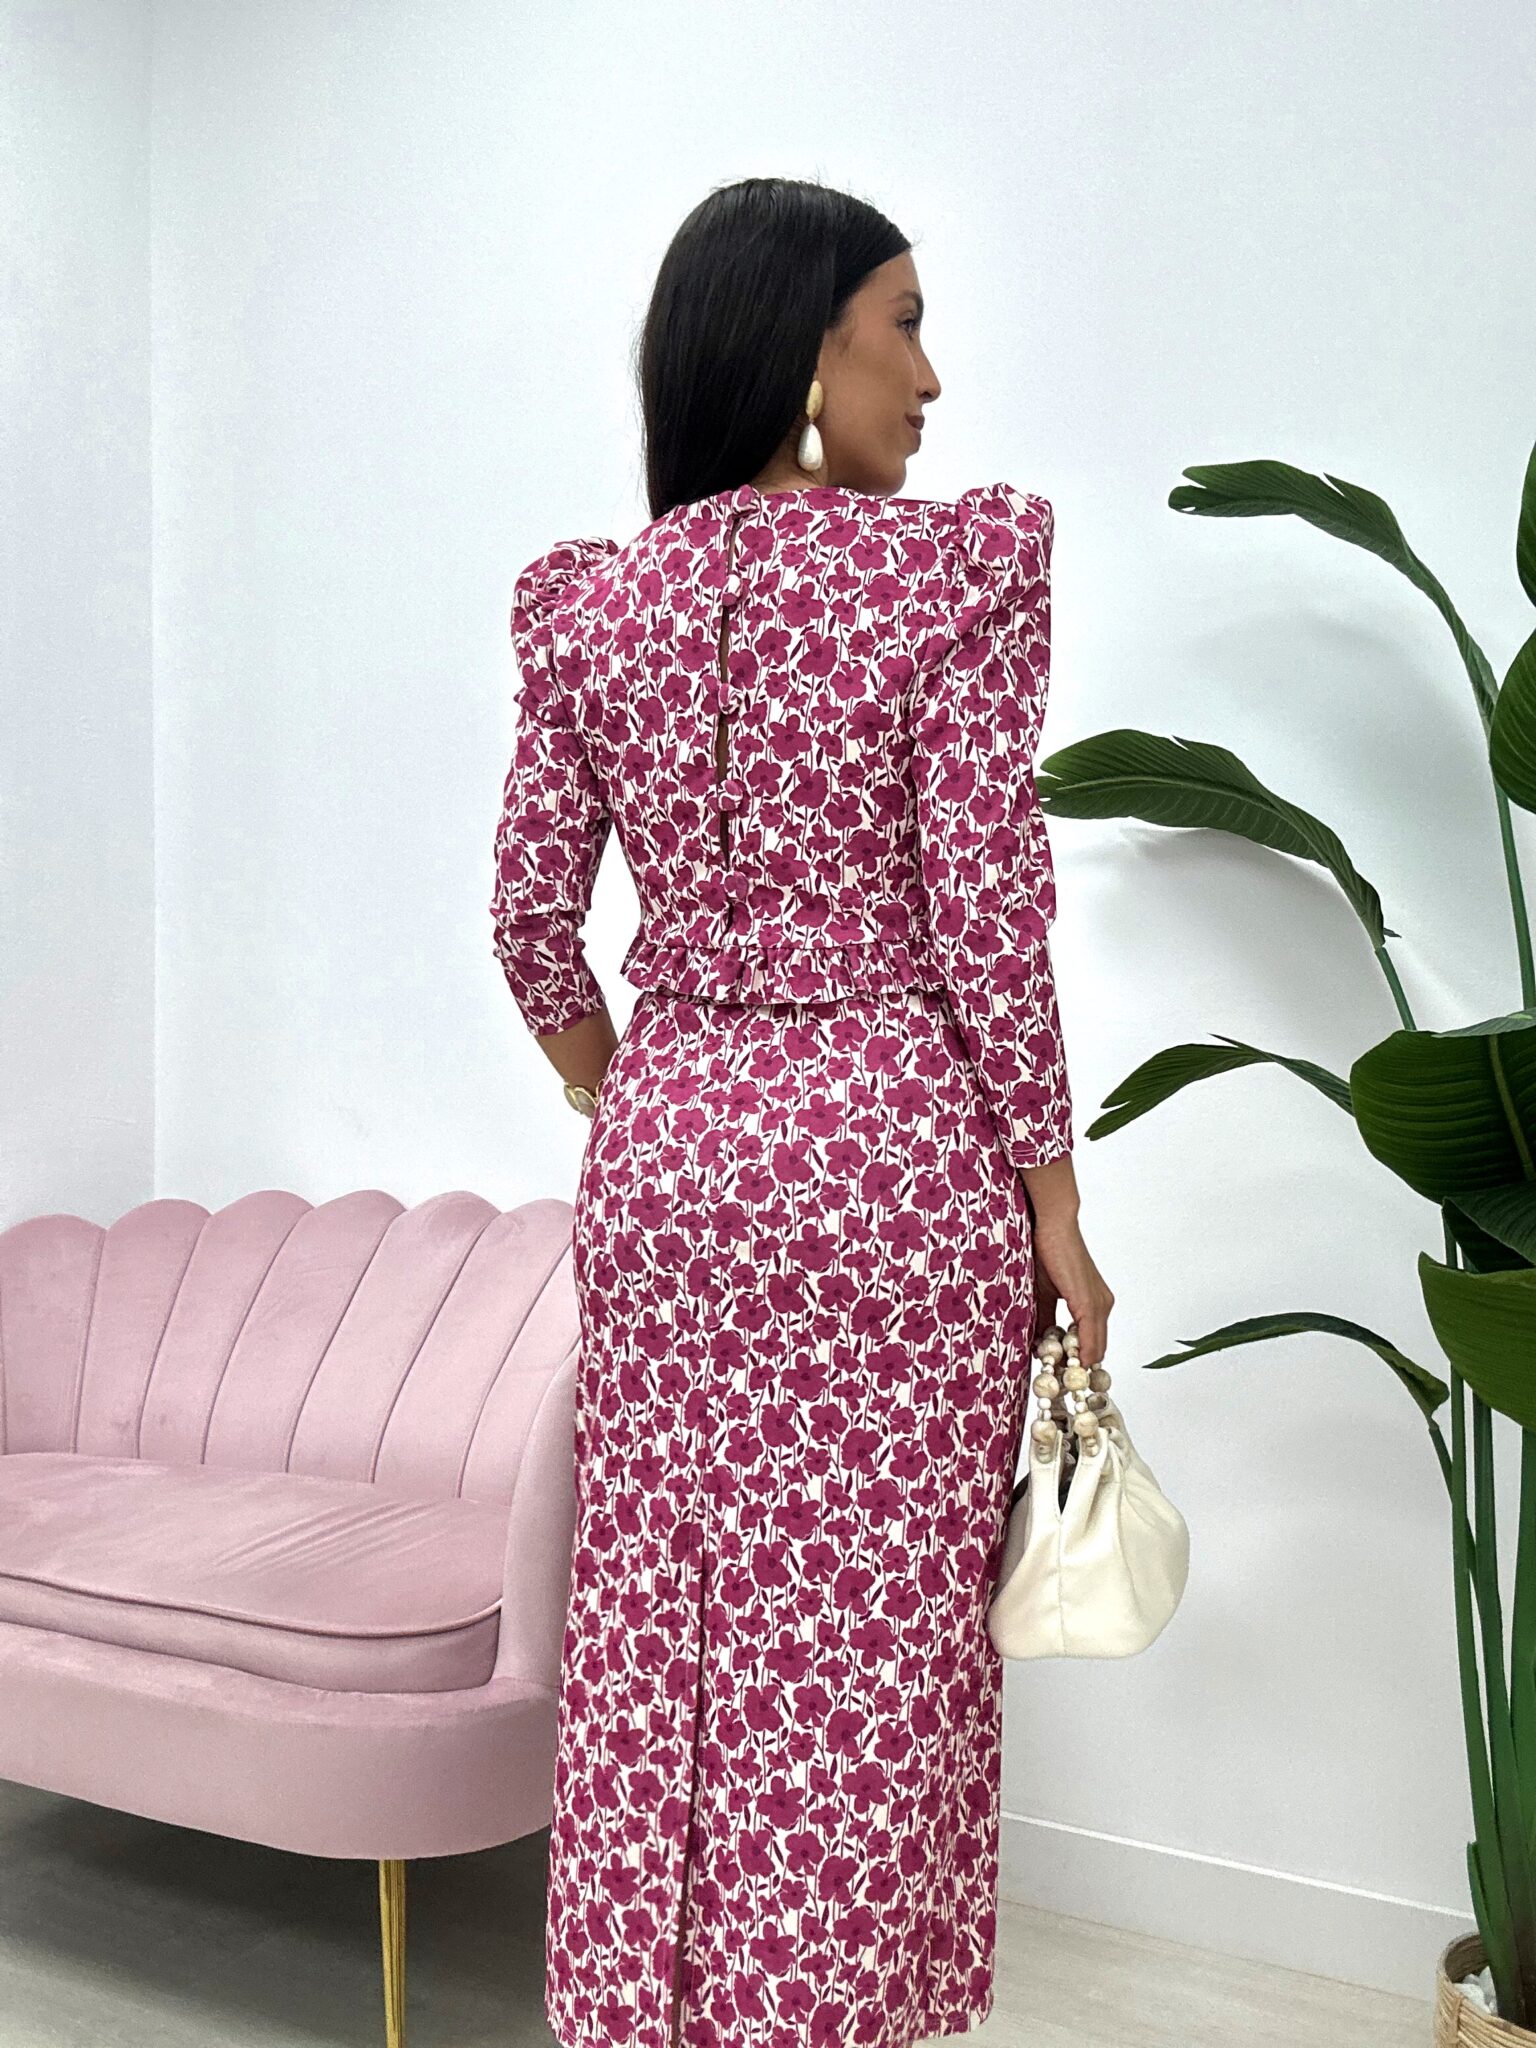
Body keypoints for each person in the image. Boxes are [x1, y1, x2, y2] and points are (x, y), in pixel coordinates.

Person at [489, 174, 1114, 2048]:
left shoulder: (597, 603)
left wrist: (633, 1096)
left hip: (669, 1171)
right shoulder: (942, 580)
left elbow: (528, 925)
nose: (931, 376)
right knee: (863, 1670)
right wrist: (1058, 1210)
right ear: (803, 346)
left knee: (661, 1634)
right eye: (902, 323)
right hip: (892, 1182)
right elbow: (986, 917)